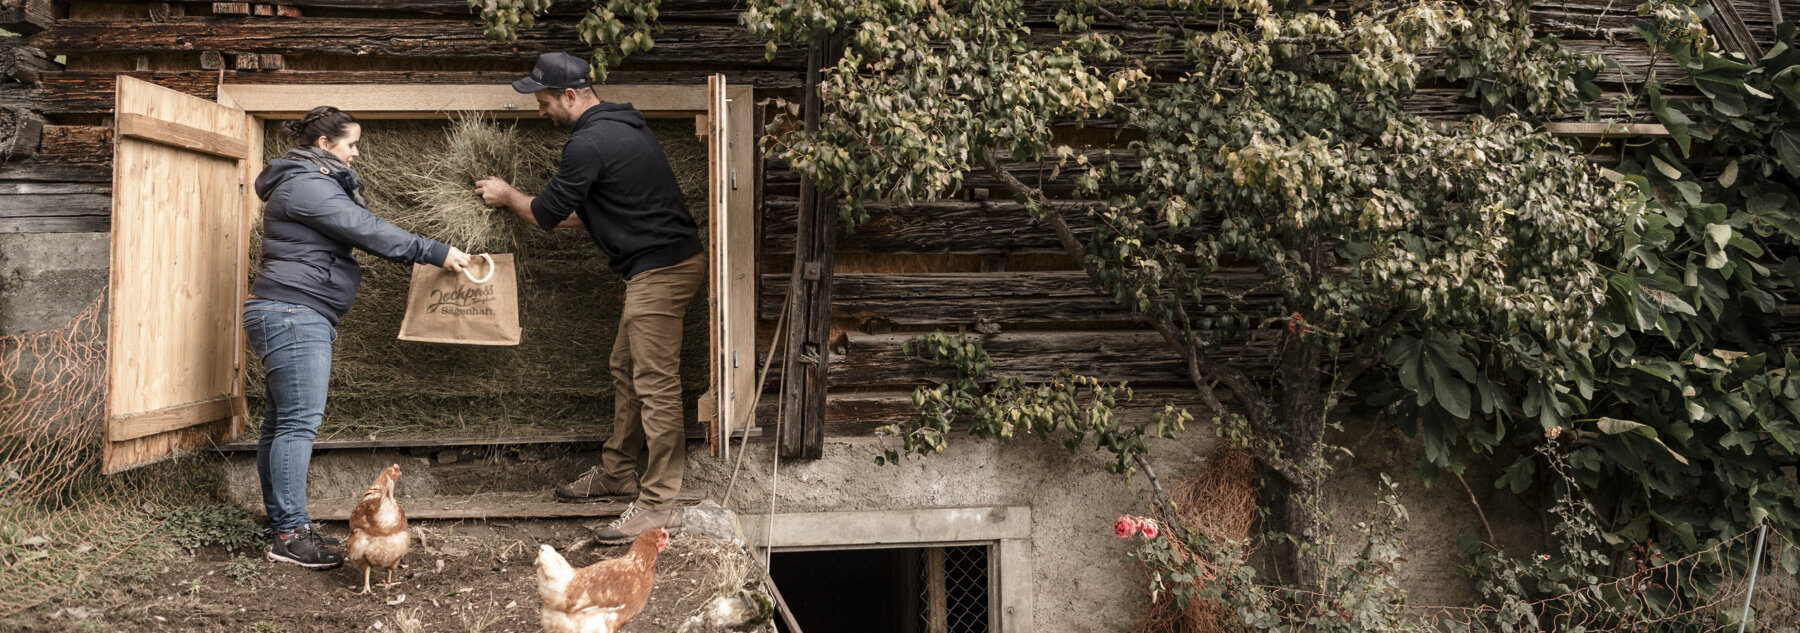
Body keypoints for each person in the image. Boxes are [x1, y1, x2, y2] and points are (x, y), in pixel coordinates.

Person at [475, 52, 705, 544]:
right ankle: (618, 471)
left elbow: (547, 215)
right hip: (661, 263)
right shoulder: (623, 125)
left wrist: (507, 194)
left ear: (572, 96)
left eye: (543, 103)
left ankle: (658, 504)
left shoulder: (589, 142)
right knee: (625, 368)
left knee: (656, 385)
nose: (541, 112)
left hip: (662, 269)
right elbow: (603, 209)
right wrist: (534, 204)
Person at [247, 106, 471, 568]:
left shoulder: (309, 179)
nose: (355, 154)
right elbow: (364, 230)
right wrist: (432, 250)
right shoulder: (306, 184)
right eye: (350, 145)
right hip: (294, 312)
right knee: (296, 424)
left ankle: (286, 527)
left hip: (292, 310)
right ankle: (289, 533)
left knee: (281, 423)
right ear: (324, 145)